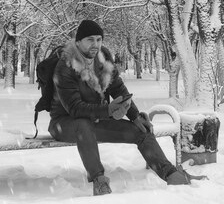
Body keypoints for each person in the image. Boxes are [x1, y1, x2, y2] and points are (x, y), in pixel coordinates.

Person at [48, 19, 191, 196]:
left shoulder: (103, 60)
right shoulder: (65, 66)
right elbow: (75, 109)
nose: (96, 44)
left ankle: (171, 174)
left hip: (96, 120)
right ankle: (99, 181)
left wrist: (135, 116)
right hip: (64, 124)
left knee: (141, 130)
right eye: (90, 39)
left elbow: (119, 89)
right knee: (83, 125)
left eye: (99, 39)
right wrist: (108, 110)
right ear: (78, 42)